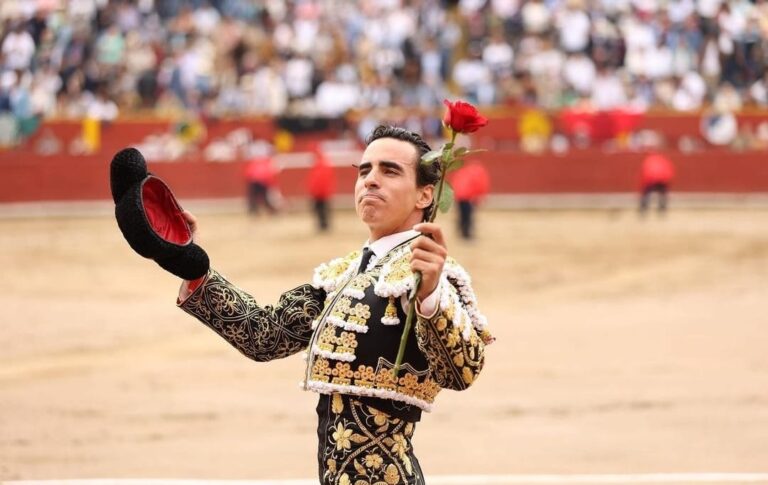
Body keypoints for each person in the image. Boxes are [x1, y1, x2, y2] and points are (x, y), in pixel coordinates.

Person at [177, 126, 493, 484]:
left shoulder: (430, 272)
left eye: (389, 171)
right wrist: (193, 265)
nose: (371, 181)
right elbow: (263, 336)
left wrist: (431, 296)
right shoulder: (340, 275)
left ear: (425, 194)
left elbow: (462, 371)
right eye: (364, 171)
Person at [450, 160, 491, 240]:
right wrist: (480, 197)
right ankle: (466, 233)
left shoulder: (464, 171)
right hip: (468, 196)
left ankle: (460, 230)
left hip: (459, 195)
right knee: (468, 215)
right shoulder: (479, 173)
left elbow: (456, 182)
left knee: (462, 214)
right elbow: (480, 185)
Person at [307, 144, 336, 232]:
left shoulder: (319, 165)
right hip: (323, 192)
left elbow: (317, 181)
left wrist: (314, 191)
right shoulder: (324, 164)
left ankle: (323, 225)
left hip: (320, 193)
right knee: (323, 209)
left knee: (320, 209)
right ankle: (324, 225)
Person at [638, 150, 675, 215]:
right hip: (661, 179)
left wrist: (646, 180)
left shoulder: (649, 159)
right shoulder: (663, 160)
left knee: (646, 194)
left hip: (651, 179)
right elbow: (669, 170)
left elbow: (645, 170)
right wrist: (666, 179)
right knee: (662, 194)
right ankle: (662, 209)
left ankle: (643, 209)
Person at [244, 148, 279, 215]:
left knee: (253, 197)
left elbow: (248, 172)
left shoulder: (256, 161)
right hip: (262, 180)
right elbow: (269, 173)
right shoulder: (267, 161)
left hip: (253, 180)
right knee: (264, 197)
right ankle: (271, 211)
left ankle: (254, 211)